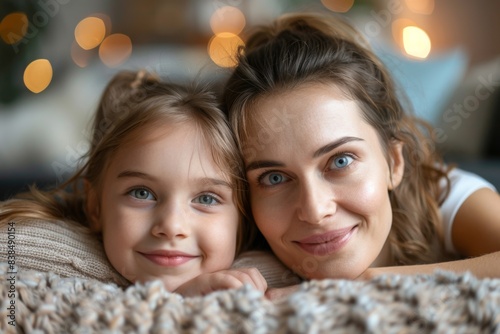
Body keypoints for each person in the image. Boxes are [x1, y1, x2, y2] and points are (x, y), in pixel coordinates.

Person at [222, 12, 500, 295]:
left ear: (394, 162)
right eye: (274, 178)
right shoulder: (235, 239)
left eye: (340, 161)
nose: (315, 211)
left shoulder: (444, 195)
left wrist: (365, 285)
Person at [0, 70, 266, 297]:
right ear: (95, 207)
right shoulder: (38, 252)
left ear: (242, 221)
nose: (172, 226)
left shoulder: (274, 275)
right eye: (142, 193)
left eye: (206, 198)